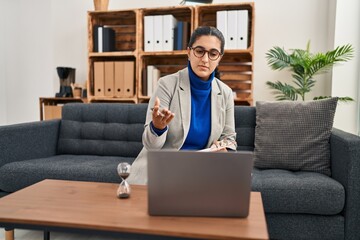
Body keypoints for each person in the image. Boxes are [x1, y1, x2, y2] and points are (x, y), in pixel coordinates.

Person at [127, 26, 237, 185]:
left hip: (202, 168)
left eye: (213, 54)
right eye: (199, 51)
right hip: (165, 165)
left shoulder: (225, 93)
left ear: (219, 58)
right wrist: (157, 127)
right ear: (189, 52)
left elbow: (230, 138)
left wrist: (225, 148)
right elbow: (151, 146)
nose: (205, 59)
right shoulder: (167, 84)